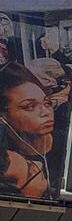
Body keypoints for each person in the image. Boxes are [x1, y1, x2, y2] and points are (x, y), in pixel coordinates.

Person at [0, 67, 57, 200]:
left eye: (47, 103)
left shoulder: (68, 142)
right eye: (30, 107)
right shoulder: (6, 158)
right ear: (3, 116)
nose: (46, 112)